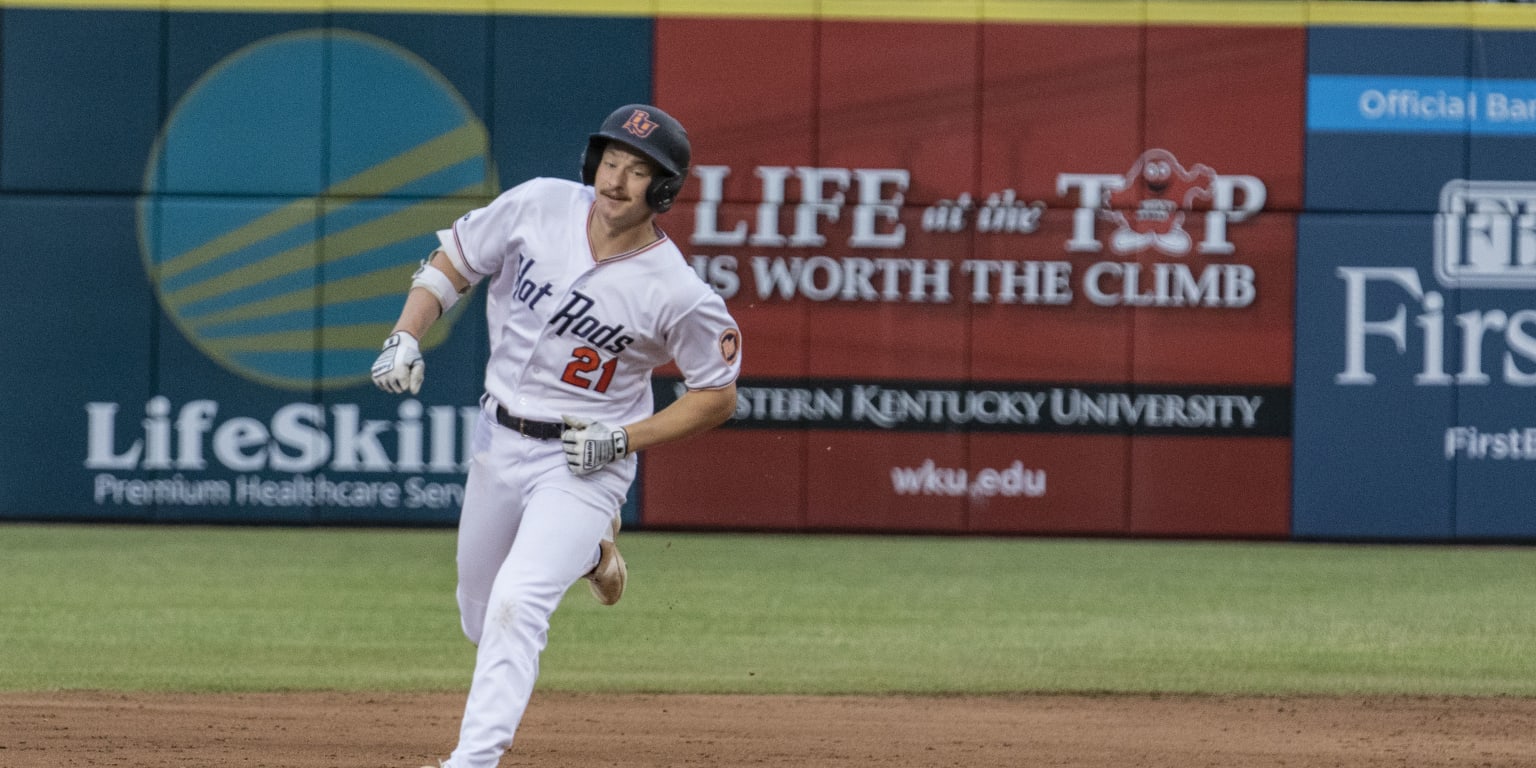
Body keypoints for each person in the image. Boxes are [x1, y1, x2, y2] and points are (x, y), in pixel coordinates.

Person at [370, 103, 741, 768]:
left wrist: (624, 440)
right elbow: (450, 263)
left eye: (637, 172)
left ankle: (473, 760)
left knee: (519, 602)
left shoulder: (677, 291)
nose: (616, 181)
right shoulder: (538, 205)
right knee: (480, 618)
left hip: (583, 459)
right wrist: (405, 333)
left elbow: (716, 395)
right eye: (610, 161)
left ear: (662, 191)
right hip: (499, 436)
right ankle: (594, 557)